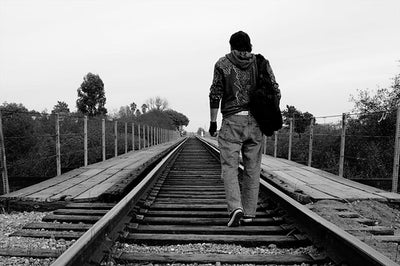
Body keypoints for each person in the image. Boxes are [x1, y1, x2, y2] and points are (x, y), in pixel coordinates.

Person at [208, 31, 280, 227]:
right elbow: (276, 90)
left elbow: (215, 94)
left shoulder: (222, 63)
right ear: (249, 46)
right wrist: (267, 114)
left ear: (231, 46)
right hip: (256, 122)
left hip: (232, 121)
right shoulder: (261, 62)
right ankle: (249, 213)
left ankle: (235, 208)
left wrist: (213, 122)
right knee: (252, 168)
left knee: (230, 167)